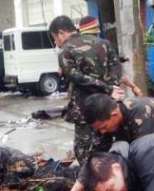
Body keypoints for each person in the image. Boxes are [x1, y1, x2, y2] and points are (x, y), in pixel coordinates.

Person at [49, 15, 122, 164]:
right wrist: (110, 87)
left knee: (84, 152)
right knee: (107, 144)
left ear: (61, 32)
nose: (56, 43)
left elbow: (76, 77)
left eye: (55, 38)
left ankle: (91, 182)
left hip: (84, 109)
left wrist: (106, 87)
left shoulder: (66, 51)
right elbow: (116, 67)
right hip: (106, 105)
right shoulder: (103, 43)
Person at [78, 16, 142, 97]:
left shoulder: (73, 49)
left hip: (84, 96)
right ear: (96, 30)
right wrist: (133, 87)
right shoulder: (103, 44)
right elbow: (118, 72)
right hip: (105, 95)